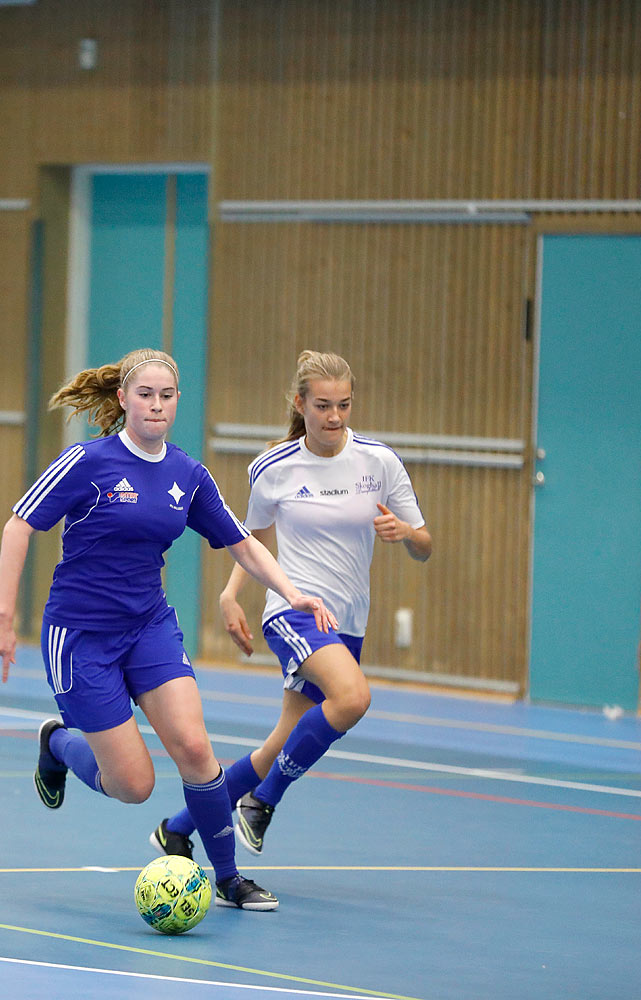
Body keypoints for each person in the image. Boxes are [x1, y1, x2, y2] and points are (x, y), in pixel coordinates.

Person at [0, 347, 338, 912]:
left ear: (177, 403)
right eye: (144, 395)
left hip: (149, 626)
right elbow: (20, 525)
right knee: (133, 786)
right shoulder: (87, 462)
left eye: (166, 396)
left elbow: (242, 541)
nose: (156, 405)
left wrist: (292, 593)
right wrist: (3, 617)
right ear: (122, 400)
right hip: (81, 637)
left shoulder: (188, 475)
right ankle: (56, 743)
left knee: (196, 748)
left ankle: (227, 878)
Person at [149, 350, 431, 861]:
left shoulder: (379, 461)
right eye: (323, 405)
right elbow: (250, 539)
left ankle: (178, 826)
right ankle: (262, 802)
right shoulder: (274, 467)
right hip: (293, 610)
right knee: (353, 698)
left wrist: (407, 533)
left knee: (282, 741)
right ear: (300, 404)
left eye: (344, 404)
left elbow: (425, 544)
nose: (335, 416)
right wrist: (231, 594)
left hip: (348, 621)